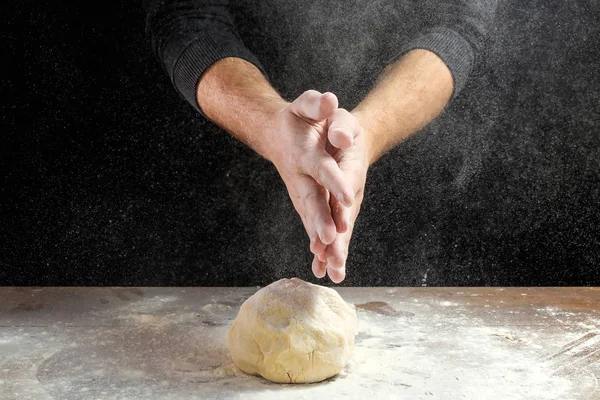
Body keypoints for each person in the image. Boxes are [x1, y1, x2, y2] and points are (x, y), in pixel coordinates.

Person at [144, 0, 497, 283]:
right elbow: (183, 16)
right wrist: (270, 125)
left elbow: (459, 22)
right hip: (219, 183)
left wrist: (369, 130)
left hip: (408, 183)